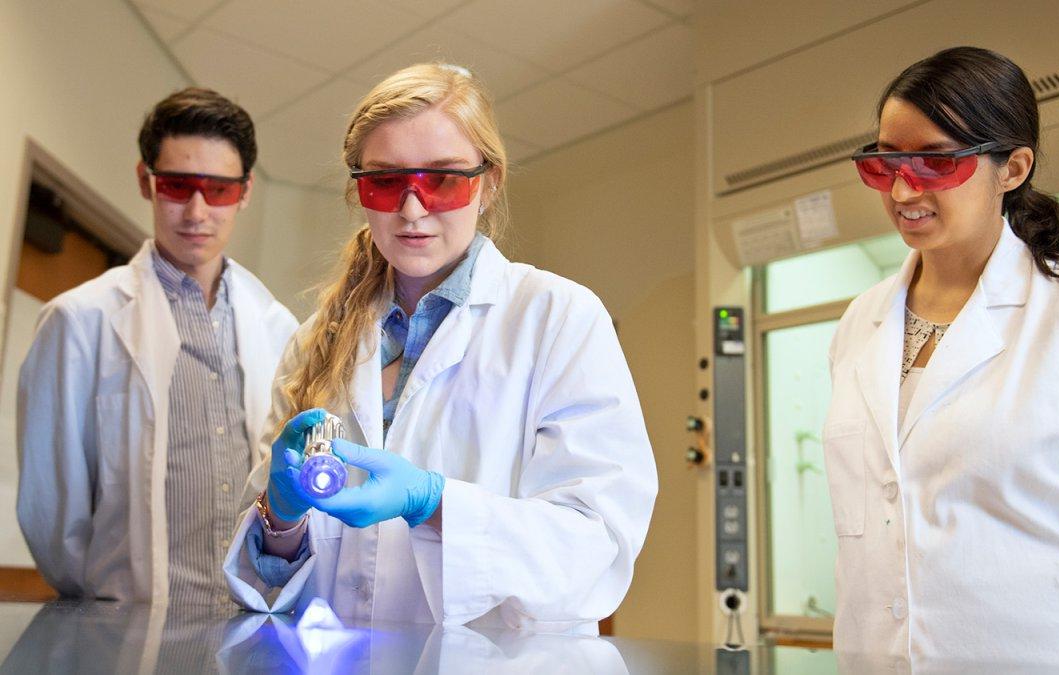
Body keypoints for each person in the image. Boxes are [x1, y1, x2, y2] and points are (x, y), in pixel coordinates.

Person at [223, 63, 658, 635]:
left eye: (444, 180)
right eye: (385, 181)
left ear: (489, 183)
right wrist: (279, 516)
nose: (411, 208)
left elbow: (596, 546)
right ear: (359, 191)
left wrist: (433, 503)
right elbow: (269, 583)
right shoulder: (314, 340)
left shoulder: (558, 318)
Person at [823, 47, 1059, 671]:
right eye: (885, 161)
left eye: (936, 161)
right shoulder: (858, 326)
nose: (902, 188)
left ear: (1013, 168)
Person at [17, 88, 298, 604]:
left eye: (218, 190)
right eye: (176, 186)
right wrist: (108, 604)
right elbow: (51, 513)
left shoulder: (279, 328)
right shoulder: (79, 321)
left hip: (243, 618)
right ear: (146, 181)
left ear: (246, 191)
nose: (196, 211)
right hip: (123, 623)